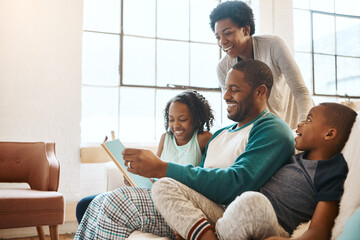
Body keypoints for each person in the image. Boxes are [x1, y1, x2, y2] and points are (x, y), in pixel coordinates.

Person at [75, 59, 295, 239]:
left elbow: (236, 183)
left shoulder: (272, 128)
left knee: (118, 203)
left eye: (234, 89)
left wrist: (162, 168)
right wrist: (147, 175)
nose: (226, 95)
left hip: (226, 212)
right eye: (226, 88)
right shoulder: (221, 134)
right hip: (192, 203)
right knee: (100, 203)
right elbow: (196, 178)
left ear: (260, 92)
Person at [154, 102, 357, 240]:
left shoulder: (333, 170)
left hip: (267, 221)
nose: (299, 123)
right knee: (165, 185)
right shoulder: (293, 157)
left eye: (309, 119)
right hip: (229, 214)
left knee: (254, 202)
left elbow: (320, 230)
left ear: (329, 134)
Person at [75, 89, 214, 224]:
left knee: (99, 205)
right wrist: (135, 178)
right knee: (84, 205)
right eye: (171, 119)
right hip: (152, 192)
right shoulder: (165, 138)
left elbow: (205, 179)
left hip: (172, 200)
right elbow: (154, 172)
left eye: (182, 119)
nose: (176, 125)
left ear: (196, 119)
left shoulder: (203, 139)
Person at [210, 1, 313, 129]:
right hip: (262, 132)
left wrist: (305, 125)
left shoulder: (273, 45)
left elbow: (300, 90)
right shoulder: (223, 67)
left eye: (227, 33)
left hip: (294, 127)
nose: (222, 42)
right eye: (218, 37)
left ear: (246, 30)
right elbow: (234, 106)